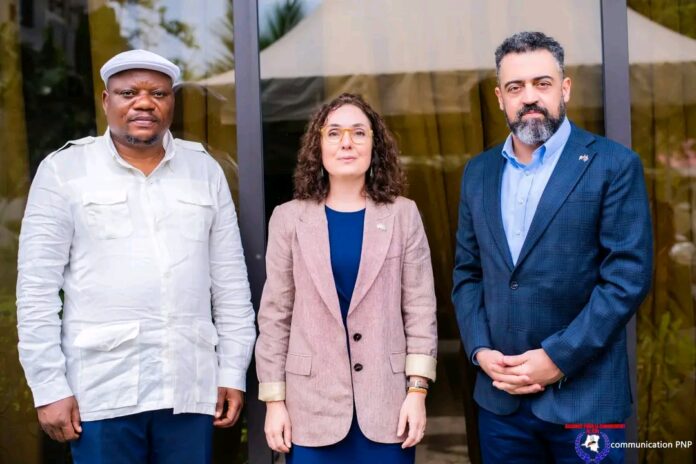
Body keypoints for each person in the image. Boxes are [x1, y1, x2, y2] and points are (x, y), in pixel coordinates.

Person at [16, 49, 256, 463]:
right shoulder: (64, 170)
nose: (144, 103)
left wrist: (232, 371)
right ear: (106, 100)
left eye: (158, 93)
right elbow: (36, 290)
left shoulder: (205, 171)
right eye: (129, 93)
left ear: (171, 102)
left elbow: (231, 285)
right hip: (101, 391)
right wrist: (49, 386)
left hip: (190, 387)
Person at [452, 32, 652, 463]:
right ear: (499, 98)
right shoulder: (478, 173)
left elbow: (627, 278)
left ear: (565, 88)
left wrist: (558, 358)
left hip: (585, 398)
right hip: (501, 400)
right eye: (515, 87)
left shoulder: (613, 165)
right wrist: (480, 351)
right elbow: (468, 273)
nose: (529, 97)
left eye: (541, 83)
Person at [255, 93, 438, 463]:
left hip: (388, 406)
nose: (347, 142)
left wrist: (416, 392)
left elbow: (420, 309)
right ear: (318, 146)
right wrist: (274, 402)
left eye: (359, 132)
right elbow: (275, 316)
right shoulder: (288, 219)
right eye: (334, 133)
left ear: (375, 145)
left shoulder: (403, 215)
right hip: (310, 409)